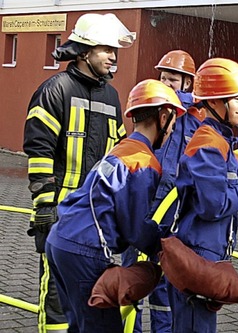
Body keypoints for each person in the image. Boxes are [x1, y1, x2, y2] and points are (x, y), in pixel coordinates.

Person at [22, 13, 134, 333]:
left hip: (95, 214)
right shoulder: (55, 90)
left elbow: (118, 152)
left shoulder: (111, 97)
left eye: (115, 51)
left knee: (91, 292)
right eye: (106, 50)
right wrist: (44, 207)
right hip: (59, 209)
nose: (113, 57)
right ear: (84, 52)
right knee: (57, 297)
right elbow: (39, 150)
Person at [44, 79, 184, 333]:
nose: (174, 130)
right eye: (174, 122)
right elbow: (136, 229)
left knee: (79, 325)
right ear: (163, 117)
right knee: (102, 327)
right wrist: (168, 250)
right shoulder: (144, 162)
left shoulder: (121, 148)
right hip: (84, 250)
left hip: (59, 241)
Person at [167, 57, 238, 332]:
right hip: (198, 255)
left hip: (206, 253)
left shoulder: (221, 142)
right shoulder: (208, 144)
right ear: (215, 102)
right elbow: (214, 207)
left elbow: (218, 203)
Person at [123, 49, 203, 333]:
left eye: (173, 80)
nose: (166, 84)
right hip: (144, 207)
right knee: (133, 276)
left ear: (188, 84)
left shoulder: (194, 116)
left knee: (164, 284)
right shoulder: (155, 107)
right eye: (163, 78)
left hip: (174, 214)